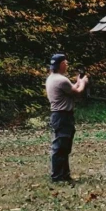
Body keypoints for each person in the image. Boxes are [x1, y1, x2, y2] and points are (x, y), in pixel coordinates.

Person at [45, 53, 89, 182]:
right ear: (62, 64)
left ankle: (63, 174)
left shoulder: (53, 78)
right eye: (66, 63)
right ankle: (58, 176)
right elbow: (78, 92)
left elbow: (71, 89)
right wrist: (84, 82)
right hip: (62, 115)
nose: (67, 65)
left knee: (64, 146)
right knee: (60, 146)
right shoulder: (61, 80)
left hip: (60, 115)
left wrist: (78, 81)